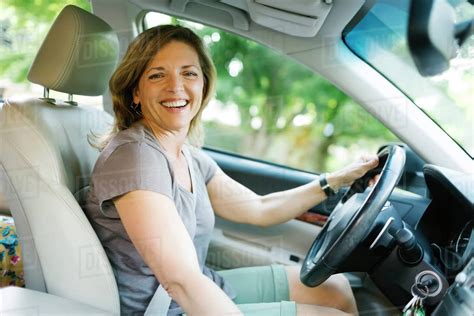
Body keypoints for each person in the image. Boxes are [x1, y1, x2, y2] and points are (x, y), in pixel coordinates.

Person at [85, 24, 380, 316]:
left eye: (188, 73)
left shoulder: (189, 156)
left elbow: (259, 208)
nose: (175, 86)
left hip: (195, 287)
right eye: (157, 75)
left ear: (203, 85)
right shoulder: (135, 157)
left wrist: (337, 180)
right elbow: (180, 281)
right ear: (136, 92)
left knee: (335, 288)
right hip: (164, 308)